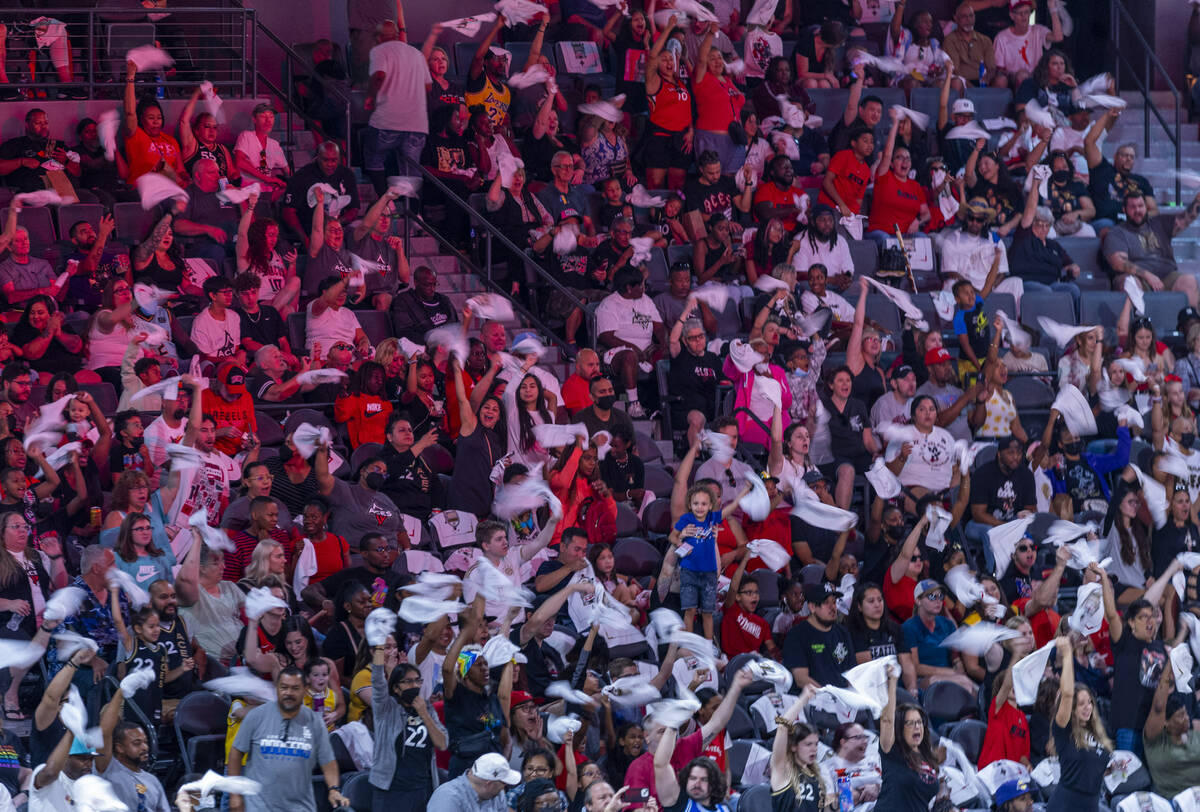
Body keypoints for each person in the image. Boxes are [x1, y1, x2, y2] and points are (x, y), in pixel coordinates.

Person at [227, 666, 349, 812]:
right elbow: (235, 753)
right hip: (260, 806)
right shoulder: (256, 716)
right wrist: (235, 795)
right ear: (276, 689)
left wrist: (334, 788)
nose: (288, 693)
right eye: (284, 687)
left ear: (305, 690)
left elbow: (327, 760)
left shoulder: (314, 721)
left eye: (295, 688)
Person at [363, 20, 432, 193]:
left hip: (388, 120)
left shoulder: (379, 51)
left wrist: (370, 96)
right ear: (395, 35)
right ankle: (415, 215)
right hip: (417, 124)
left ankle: (384, 203)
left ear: (379, 37)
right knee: (411, 170)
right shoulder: (417, 54)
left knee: (373, 155)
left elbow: (379, 76)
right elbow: (428, 87)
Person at [1047, 634, 1110, 812]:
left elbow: (1088, 769)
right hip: (1065, 806)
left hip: (1091, 805)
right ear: (1071, 708)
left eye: (1089, 702)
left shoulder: (1096, 731)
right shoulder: (1063, 730)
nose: (1087, 707)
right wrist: (1067, 655)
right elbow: (1067, 694)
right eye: (1081, 704)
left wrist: (1109, 769)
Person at [1104, 190, 1200, 307]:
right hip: (1138, 278)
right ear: (1124, 210)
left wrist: (1197, 202)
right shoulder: (1117, 232)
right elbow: (1118, 263)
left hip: (1167, 275)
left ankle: (1192, 323)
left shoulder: (1159, 223)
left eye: (1140, 206)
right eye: (1133, 207)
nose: (1137, 210)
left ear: (1147, 207)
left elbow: (1184, 220)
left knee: (1189, 281)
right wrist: (1147, 275)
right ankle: (1138, 324)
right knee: (1129, 283)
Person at [876, 665, 939, 812]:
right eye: (910, 723)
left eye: (919, 722)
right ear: (899, 729)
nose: (917, 726)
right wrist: (892, 682)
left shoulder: (926, 756)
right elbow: (887, 721)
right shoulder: (892, 753)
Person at [784, 580, 855, 690]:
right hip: (813, 700)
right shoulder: (796, 635)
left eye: (834, 602)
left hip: (843, 699)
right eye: (826, 603)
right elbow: (801, 679)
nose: (833, 608)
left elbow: (852, 673)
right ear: (812, 607)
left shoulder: (843, 632)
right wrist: (828, 696)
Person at [1142, 664, 1200, 797]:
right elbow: (1158, 707)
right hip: (1174, 802)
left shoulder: (1194, 735)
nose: (1186, 719)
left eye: (1185, 714)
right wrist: (1171, 663)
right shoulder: (1156, 742)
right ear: (1166, 723)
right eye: (1180, 716)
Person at [427, 752, 521, 812]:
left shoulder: (496, 794)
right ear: (489, 784)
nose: (503, 787)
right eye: (503, 783)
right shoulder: (447, 798)